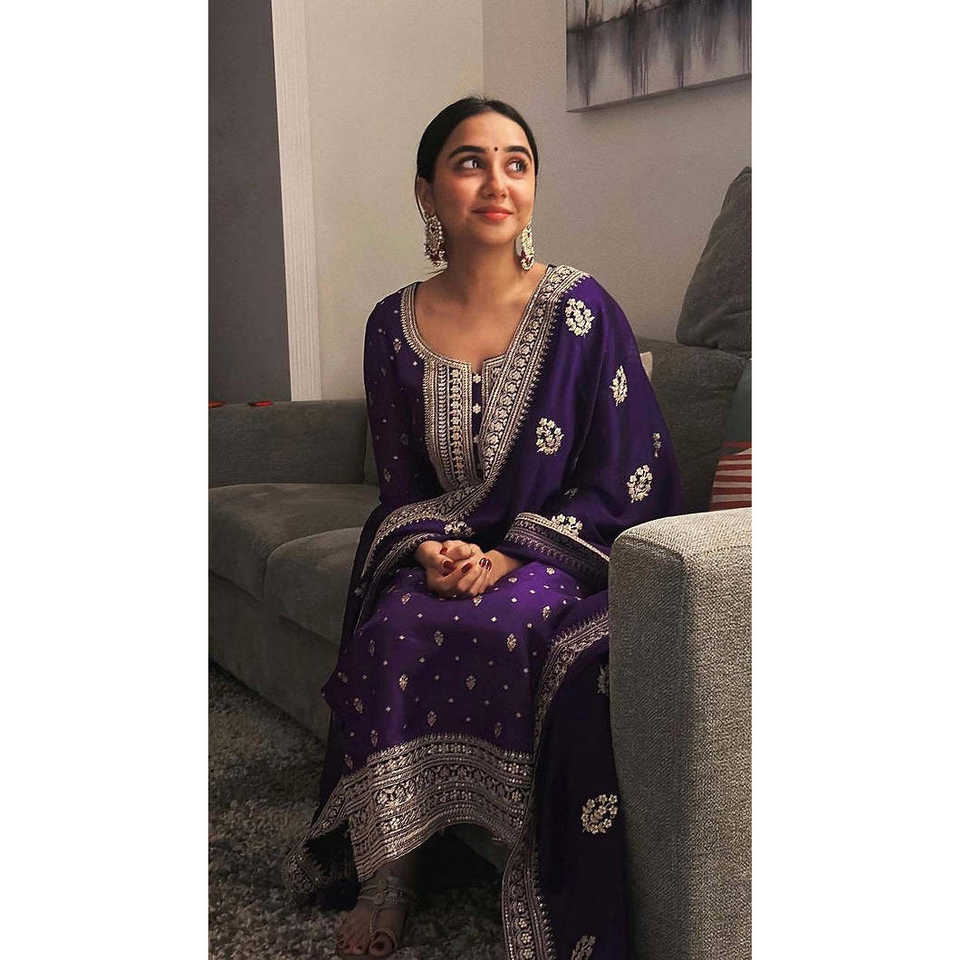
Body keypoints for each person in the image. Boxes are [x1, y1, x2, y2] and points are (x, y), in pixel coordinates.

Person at [280, 96, 683, 959]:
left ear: (532, 186)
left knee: (513, 625)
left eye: (517, 163)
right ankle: (393, 868)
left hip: (566, 552)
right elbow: (403, 488)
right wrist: (428, 548)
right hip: (446, 545)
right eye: (471, 162)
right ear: (426, 191)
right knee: (394, 624)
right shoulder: (391, 325)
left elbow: (630, 475)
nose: (498, 182)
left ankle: (528, 854)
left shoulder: (583, 311)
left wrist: (511, 555)